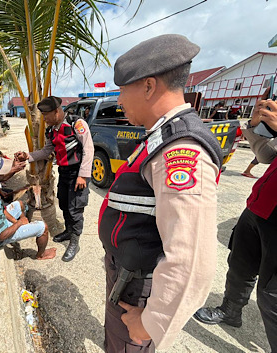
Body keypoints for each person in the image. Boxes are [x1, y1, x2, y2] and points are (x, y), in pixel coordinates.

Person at [98, 34, 223, 352]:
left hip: (139, 291)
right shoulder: (160, 136)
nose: (120, 101)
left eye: (123, 91)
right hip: (127, 279)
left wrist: (152, 322)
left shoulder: (181, 149)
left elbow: (191, 260)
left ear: (149, 86)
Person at [193, 93, 277, 352]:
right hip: (259, 207)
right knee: (240, 266)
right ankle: (230, 311)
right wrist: (255, 128)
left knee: (271, 296)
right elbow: (267, 156)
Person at [15, 96, 94, 262]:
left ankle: (75, 240)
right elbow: (45, 151)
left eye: (46, 115)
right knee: (64, 203)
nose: (44, 119)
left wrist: (83, 175)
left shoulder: (76, 124)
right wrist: (27, 156)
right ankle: (68, 231)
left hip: (77, 173)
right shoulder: (51, 130)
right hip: (64, 172)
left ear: (57, 111)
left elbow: (88, 149)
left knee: (75, 208)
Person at [0, 153, 56, 260]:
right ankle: (41, 255)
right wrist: (20, 223)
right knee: (43, 227)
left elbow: (1, 209)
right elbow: (1, 235)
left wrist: (16, 222)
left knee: (19, 204)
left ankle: (20, 227)